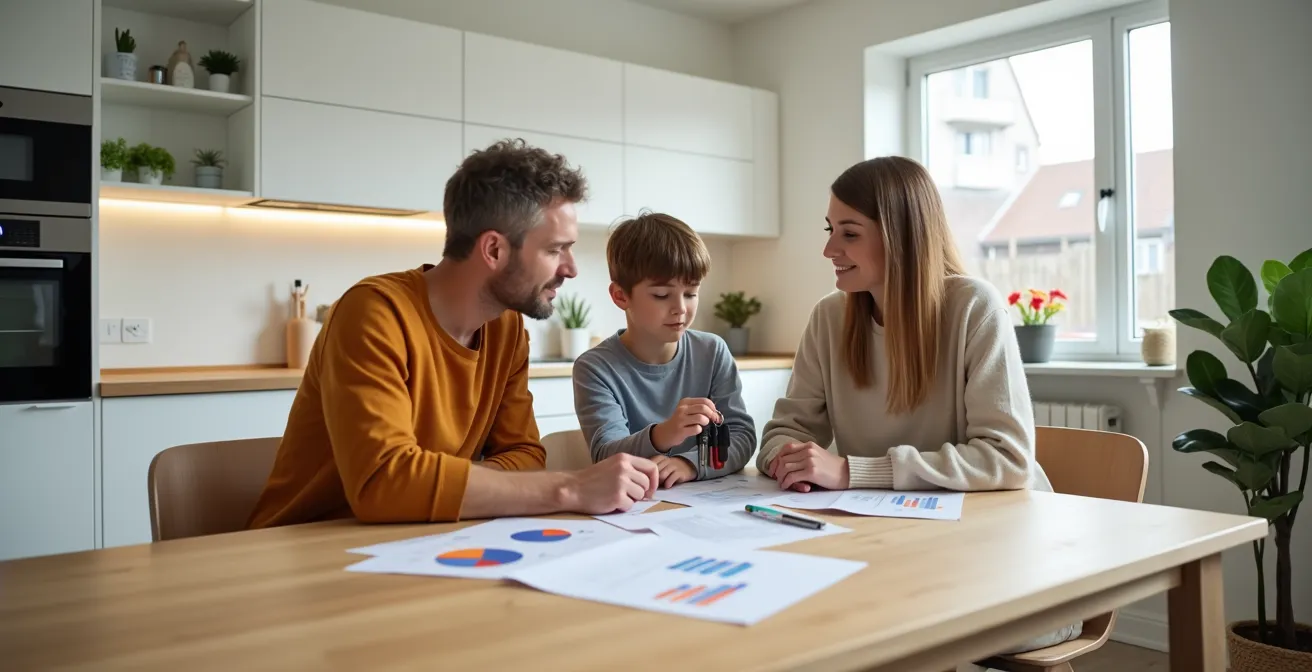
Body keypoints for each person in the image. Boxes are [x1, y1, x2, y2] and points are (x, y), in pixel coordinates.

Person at [247, 139, 660, 529]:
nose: (570, 268)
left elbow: (527, 457)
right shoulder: (374, 313)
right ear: (494, 250)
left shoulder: (506, 328)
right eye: (555, 250)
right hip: (306, 549)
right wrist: (570, 487)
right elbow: (383, 485)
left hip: (426, 537)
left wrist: (430, 482)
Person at [755, 156, 1076, 655]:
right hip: (892, 549)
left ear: (900, 235)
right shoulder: (829, 318)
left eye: (849, 233)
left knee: (867, 628)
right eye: (830, 230)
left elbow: (1008, 460)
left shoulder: (973, 307)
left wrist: (851, 473)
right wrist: (789, 460)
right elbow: (784, 429)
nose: (829, 249)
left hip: (1001, 556)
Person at [572, 212, 756, 488]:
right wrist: (663, 434)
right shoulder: (595, 368)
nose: (681, 308)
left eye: (691, 293)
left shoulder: (713, 351)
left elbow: (741, 435)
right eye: (661, 295)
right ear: (621, 296)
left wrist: (690, 464)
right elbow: (605, 455)